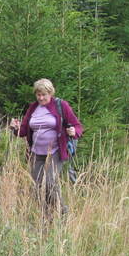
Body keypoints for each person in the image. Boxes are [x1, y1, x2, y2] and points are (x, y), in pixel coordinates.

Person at [9, 78, 83, 217]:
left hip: (55, 152)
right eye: (38, 95)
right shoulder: (33, 108)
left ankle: (62, 213)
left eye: (44, 95)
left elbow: (77, 126)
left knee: (49, 183)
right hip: (36, 153)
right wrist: (15, 127)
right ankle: (46, 217)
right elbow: (23, 131)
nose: (41, 98)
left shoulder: (61, 105)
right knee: (37, 186)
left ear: (50, 93)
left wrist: (74, 131)